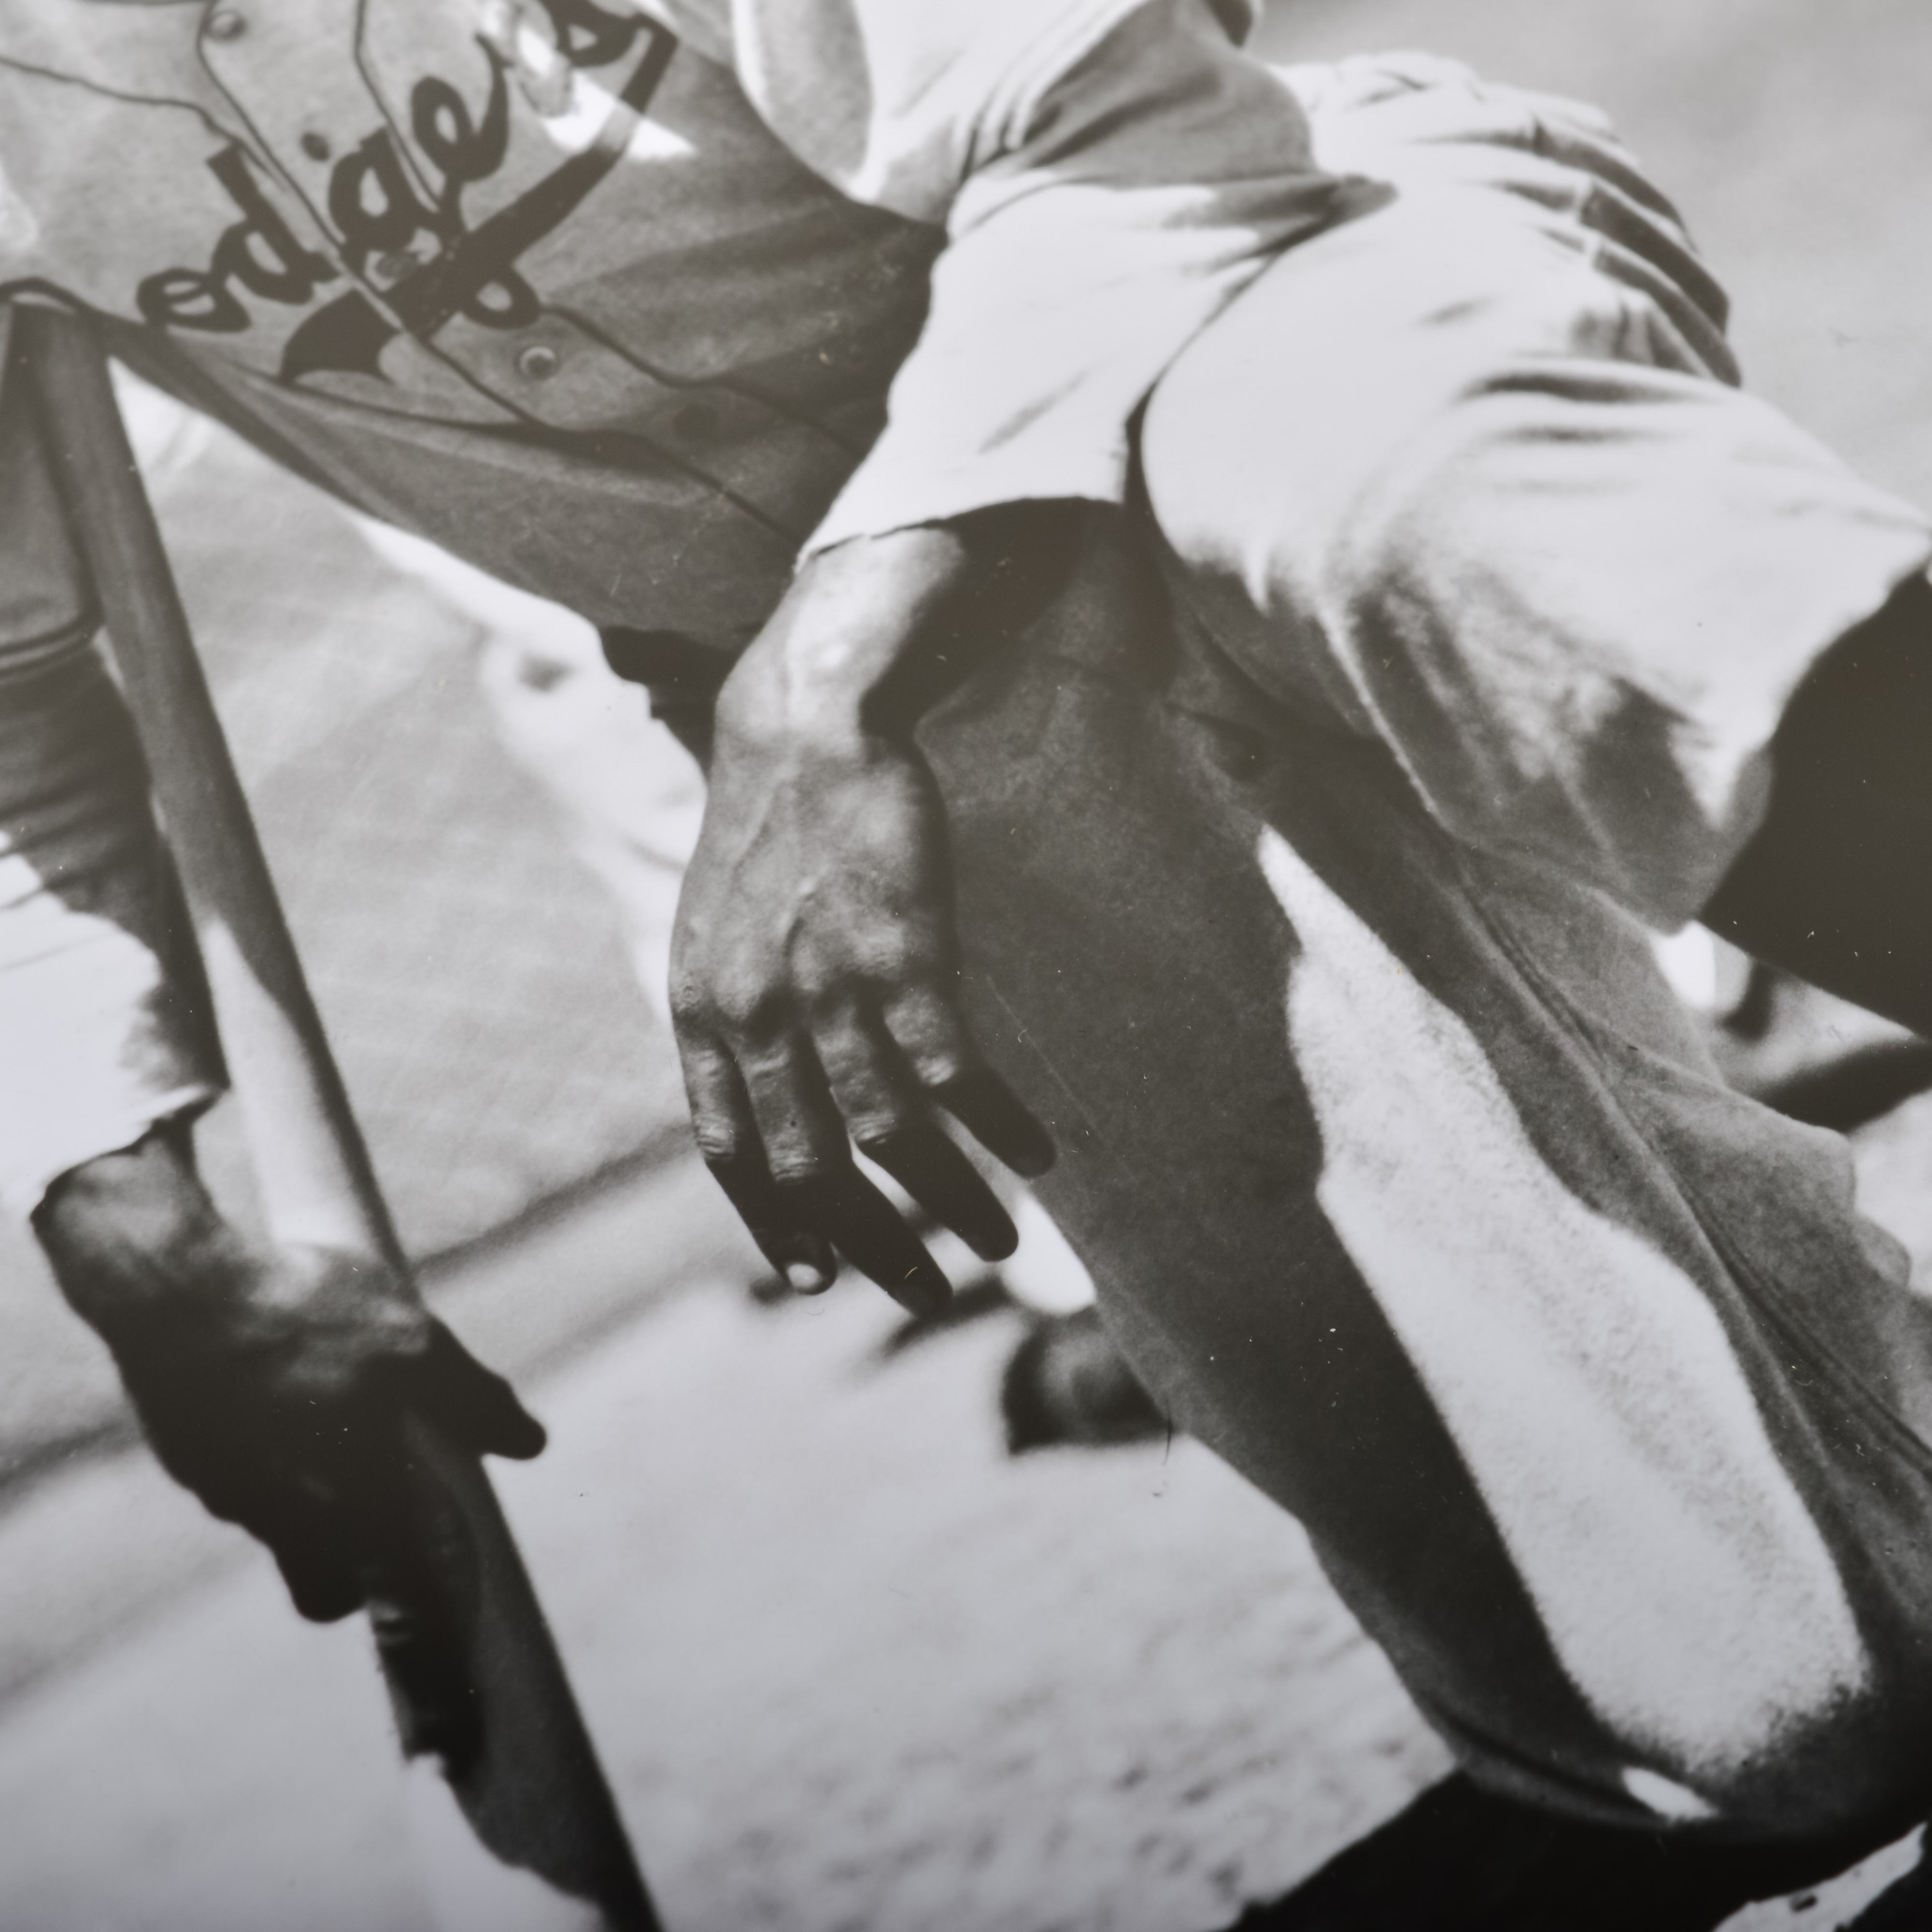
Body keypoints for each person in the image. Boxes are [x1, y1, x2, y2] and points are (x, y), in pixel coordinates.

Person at [5, 0, 1932, 1912]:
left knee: (1429, 510)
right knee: (1786, 1713)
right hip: (908, 701)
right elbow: (12, 710)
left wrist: (820, 691)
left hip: (1238, 279)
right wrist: (123, 1218)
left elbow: (1126, 121)